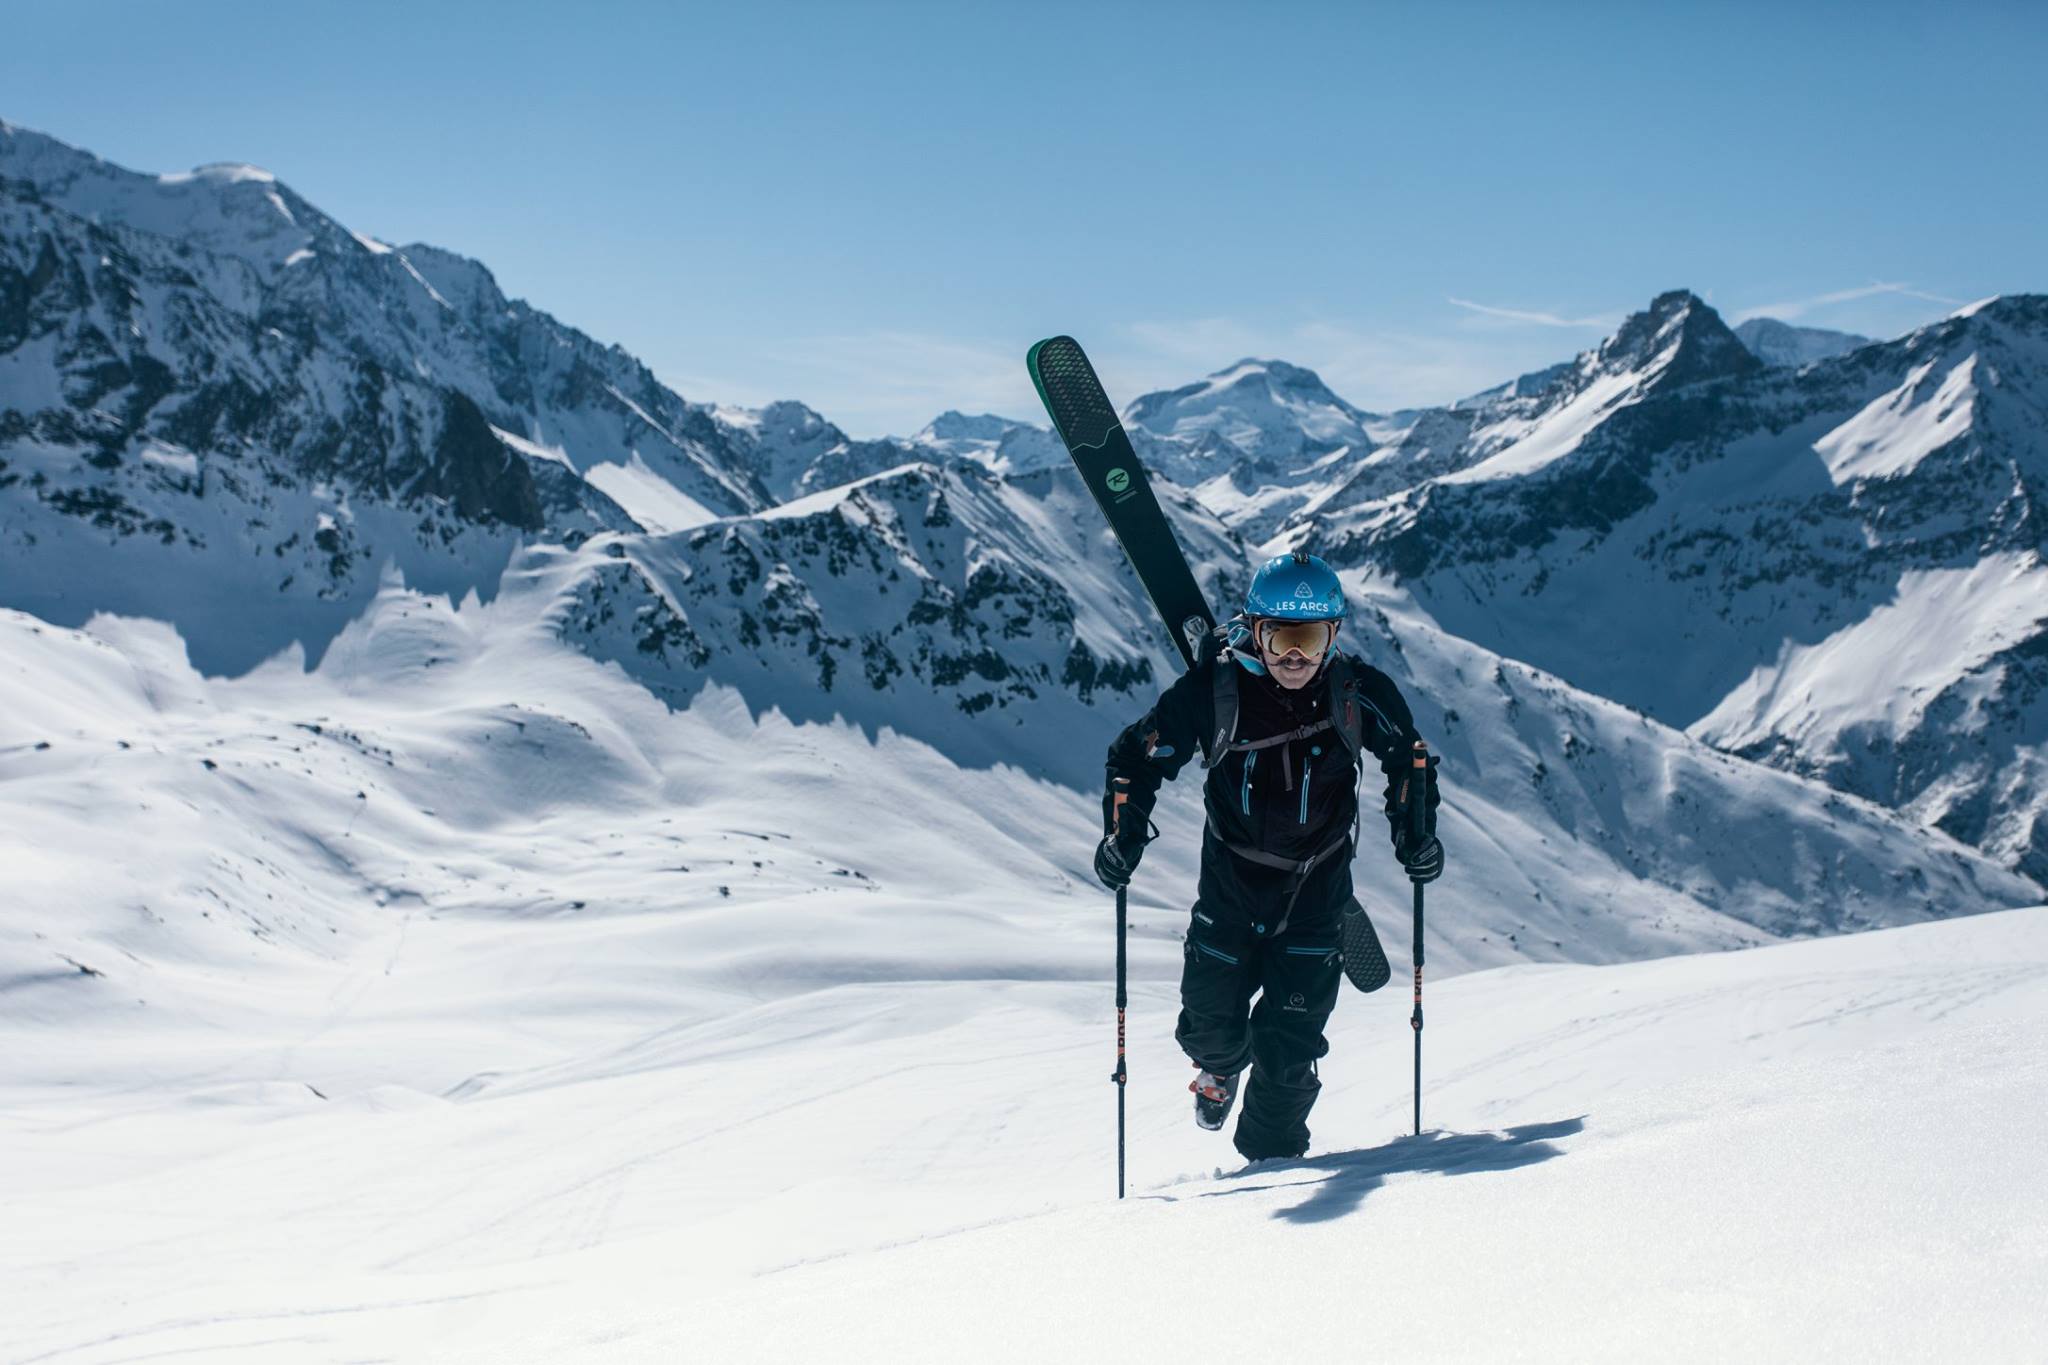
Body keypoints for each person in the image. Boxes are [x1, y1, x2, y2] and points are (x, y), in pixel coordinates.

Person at [1094, 551, 1442, 1162]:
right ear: (1255, 629)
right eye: (1281, 638)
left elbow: (1409, 761)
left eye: (1309, 640)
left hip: (1316, 900)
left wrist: (1416, 835)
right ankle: (1220, 1070)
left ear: (1332, 637)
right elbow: (1135, 759)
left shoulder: (1358, 693)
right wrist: (1122, 835)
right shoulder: (1213, 693)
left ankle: (1269, 1176)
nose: (1294, 658)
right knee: (1210, 1031)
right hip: (1229, 895)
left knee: (1289, 1057)